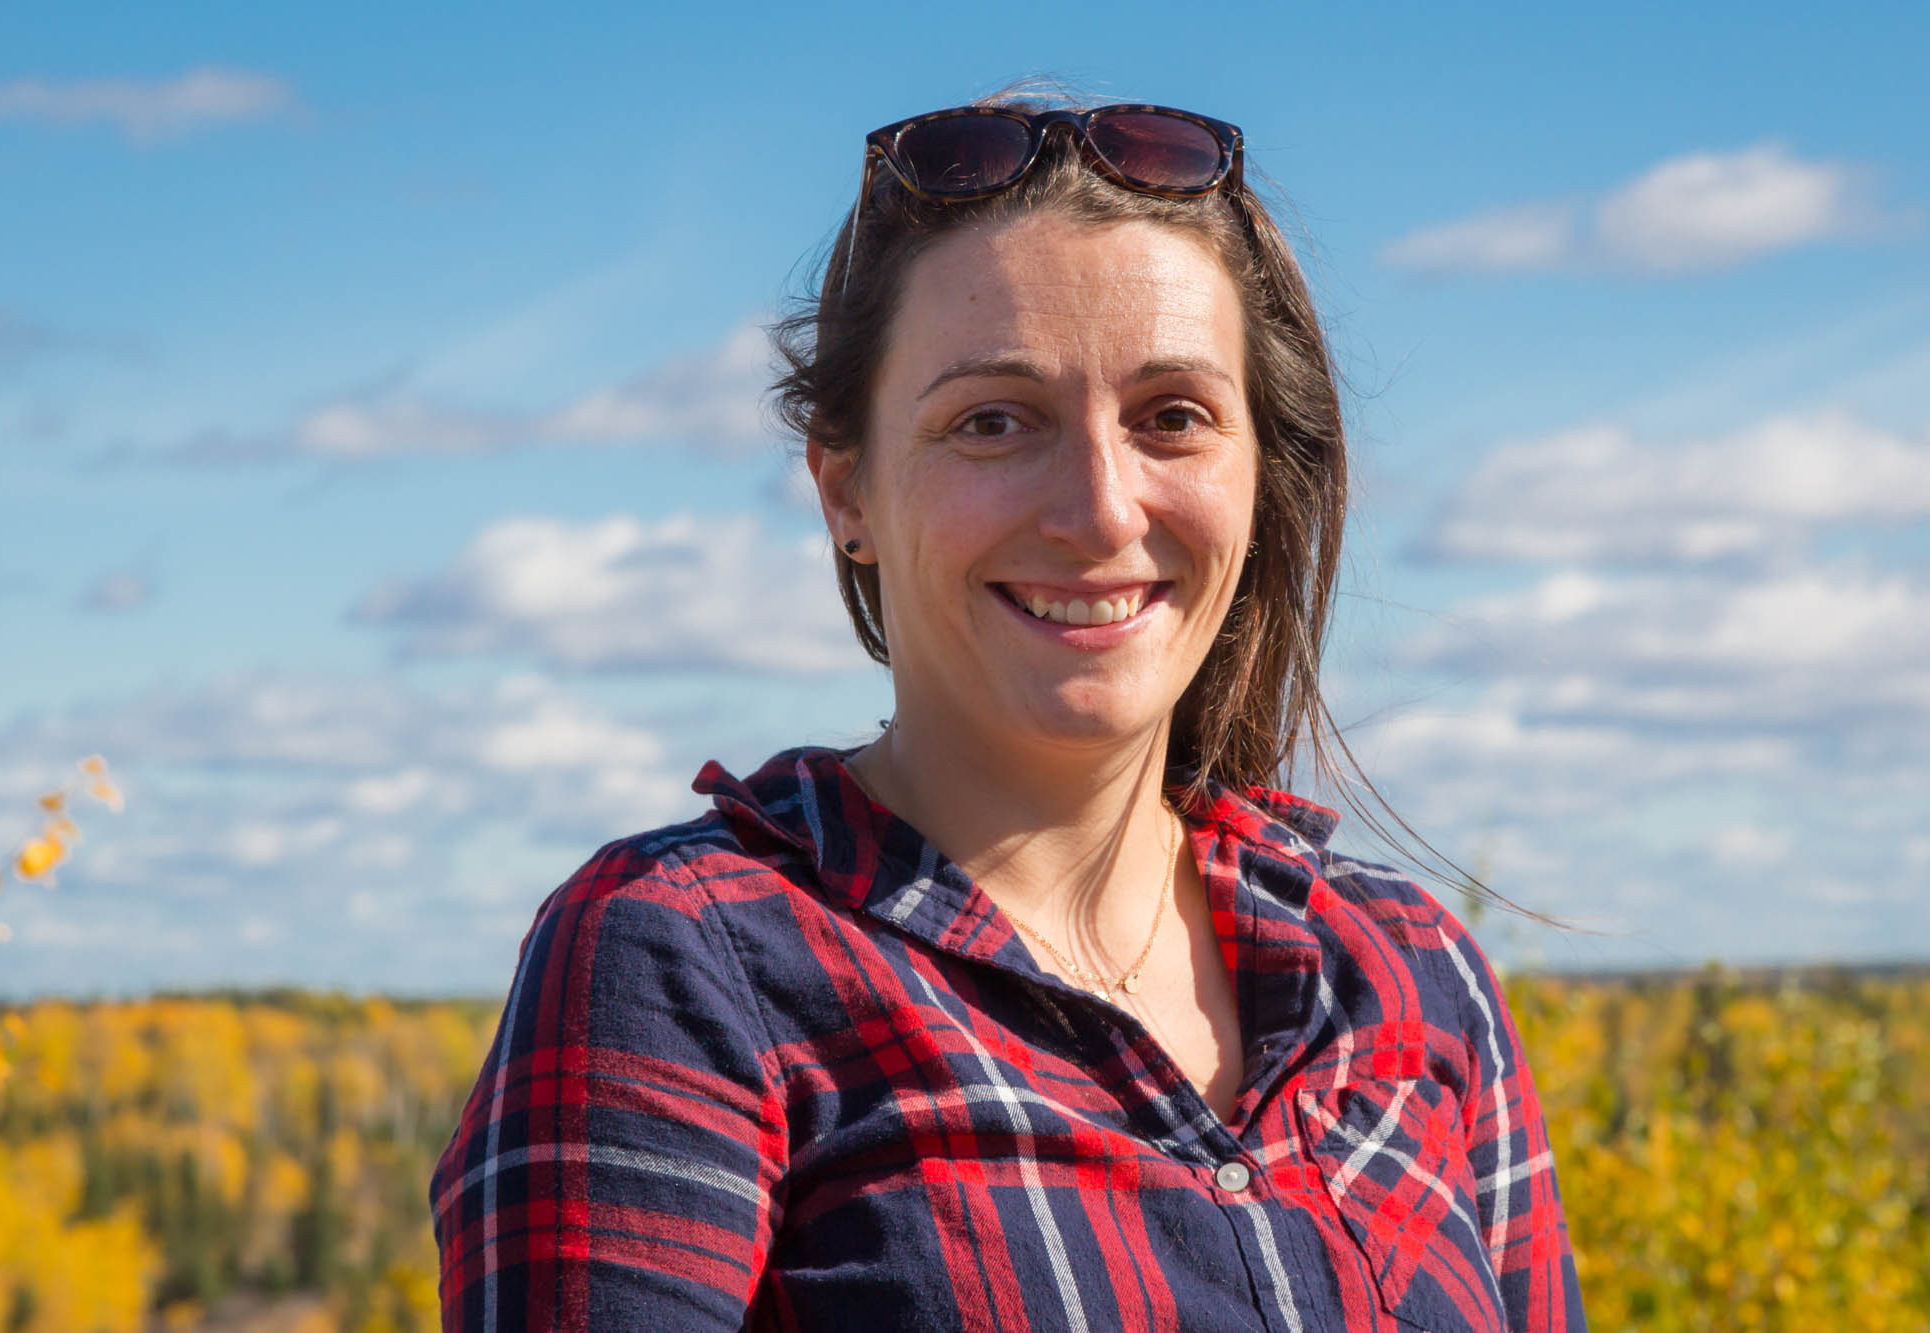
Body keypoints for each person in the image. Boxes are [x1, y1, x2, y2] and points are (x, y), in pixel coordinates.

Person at [430, 94, 1586, 1332]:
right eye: (992, 421)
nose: (1097, 510)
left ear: (1260, 474)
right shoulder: (682, 967)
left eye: (1171, 419)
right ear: (846, 491)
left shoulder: (1410, 971)